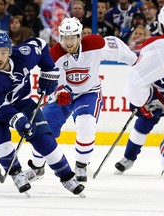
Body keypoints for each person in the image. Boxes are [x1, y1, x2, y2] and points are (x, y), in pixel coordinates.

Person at [0, 32, 85, 196]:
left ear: (10, 51)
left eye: (3, 52)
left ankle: (67, 177)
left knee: (43, 139)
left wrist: (49, 72)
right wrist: (18, 120)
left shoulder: (24, 55)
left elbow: (40, 44)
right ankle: (16, 173)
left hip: (23, 102)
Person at [28, 17, 138, 183]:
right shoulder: (54, 55)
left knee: (86, 124)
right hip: (63, 96)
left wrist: (135, 62)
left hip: (89, 92)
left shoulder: (94, 44)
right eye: (65, 38)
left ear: (79, 36)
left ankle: (81, 165)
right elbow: (48, 84)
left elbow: (116, 46)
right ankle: (37, 167)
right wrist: (57, 91)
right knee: (44, 128)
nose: (69, 42)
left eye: (72, 37)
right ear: (60, 38)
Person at [114, 3, 164, 178]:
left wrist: (139, 101)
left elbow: (137, 77)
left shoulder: (157, 45)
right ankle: (129, 157)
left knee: (146, 111)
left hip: (161, 89)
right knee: (148, 114)